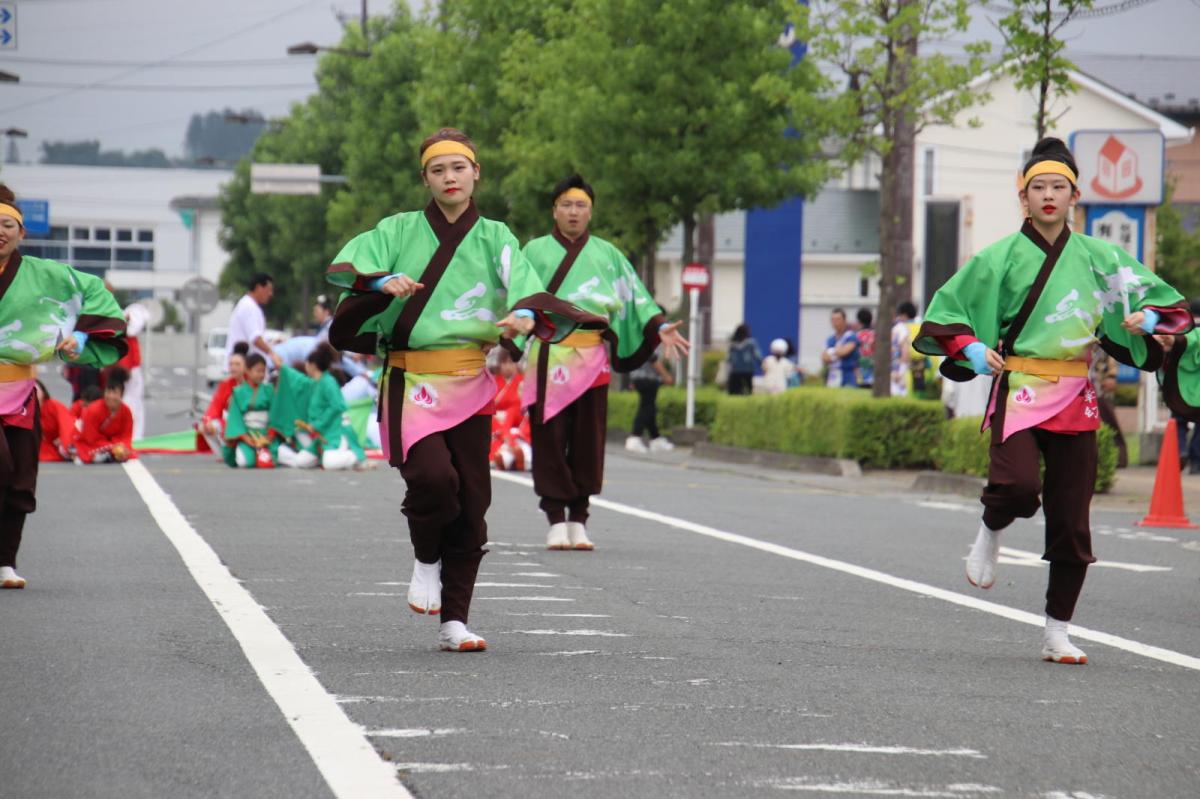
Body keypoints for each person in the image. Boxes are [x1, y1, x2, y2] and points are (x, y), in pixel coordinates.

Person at [912, 137, 1192, 665]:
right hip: (1020, 387)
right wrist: (971, 350)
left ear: (1074, 196)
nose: (1047, 196)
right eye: (1037, 187)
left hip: (1075, 395)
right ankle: (991, 529)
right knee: (1018, 488)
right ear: (1023, 196)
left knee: (1071, 520)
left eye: (1057, 187)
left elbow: (1166, 302)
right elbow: (950, 311)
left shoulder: (1099, 256)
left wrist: (1148, 320)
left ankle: (1056, 630)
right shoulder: (1000, 256)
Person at [325, 128, 600, 653]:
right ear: (425, 179)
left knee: (473, 500)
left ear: (477, 173)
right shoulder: (398, 229)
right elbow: (353, 265)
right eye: (437, 170)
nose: (449, 178)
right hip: (410, 380)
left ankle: (455, 620)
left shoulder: (496, 236)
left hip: (471, 381)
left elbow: (523, 285)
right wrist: (382, 282)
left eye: (458, 168)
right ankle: (426, 558)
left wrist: (522, 315)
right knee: (432, 479)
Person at [520, 174, 688, 551]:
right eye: (567, 204)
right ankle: (554, 518)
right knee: (549, 439)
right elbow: (517, 298)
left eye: (581, 206)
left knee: (588, 440)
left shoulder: (608, 255)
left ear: (591, 212)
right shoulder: (533, 252)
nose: (574, 212)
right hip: (549, 356)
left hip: (592, 359)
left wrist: (658, 326)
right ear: (554, 209)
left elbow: (638, 300)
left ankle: (579, 517)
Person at [0, 184, 127, 588]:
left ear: (22, 233)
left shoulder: (46, 275)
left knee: (21, 479)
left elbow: (95, 295)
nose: (0, 231)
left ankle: (5, 563)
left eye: (7, 224)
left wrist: (81, 339)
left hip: (19, 394)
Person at [224, 353, 277, 469]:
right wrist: (245, 438)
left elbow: (275, 414)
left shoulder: (269, 390)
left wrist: (270, 435)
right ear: (247, 371)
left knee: (275, 456)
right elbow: (235, 418)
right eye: (258, 371)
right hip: (247, 434)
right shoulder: (238, 392)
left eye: (263, 371)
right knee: (245, 463)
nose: (261, 375)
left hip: (266, 434)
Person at [197, 342, 248, 463]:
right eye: (231, 364)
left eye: (237, 364)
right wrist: (208, 421)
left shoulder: (252, 384)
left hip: (249, 424)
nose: (233, 367)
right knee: (205, 427)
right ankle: (224, 454)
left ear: (246, 367)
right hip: (230, 422)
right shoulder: (226, 384)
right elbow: (215, 406)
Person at [75, 368, 136, 464]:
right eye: (108, 392)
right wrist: (111, 446)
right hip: (94, 443)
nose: (111, 396)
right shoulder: (93, 409)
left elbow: (126, 435)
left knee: (128, 452)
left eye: (115, 393)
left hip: (114, 443)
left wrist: (120, 446)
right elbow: (90, 437)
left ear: (121, 395)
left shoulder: (126, 411)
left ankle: (109, 454)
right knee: (84, 450)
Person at [626, 348, 675, 452]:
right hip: (648, 377)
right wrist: (666, 375)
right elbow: (652, 358)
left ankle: (655, 439)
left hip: (637, 375)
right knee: (646, 408)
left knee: (650, 408)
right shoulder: (649, 334)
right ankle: (635, 437)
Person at [226, 273, 278, 362]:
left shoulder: (248, 305)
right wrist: (272, 354)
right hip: (244, 366)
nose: (270, 294)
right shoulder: (250, 307)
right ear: (258, 287)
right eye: (268, 290)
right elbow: (255, 338)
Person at [35, 381, 75, 462]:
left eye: (35, 391)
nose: (33, 395)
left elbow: (67, 425)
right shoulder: (24, 411)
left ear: (43, 392)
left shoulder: (54, 405)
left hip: (61, 442)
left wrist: (65, 442)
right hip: (42, 446)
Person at [822, 308, 859, 388]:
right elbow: (824, 357)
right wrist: (837, 351)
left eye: (838, 319)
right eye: (833, 320)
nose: (835, 323)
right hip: (833, 375)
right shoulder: (830, 339)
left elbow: (844, 351)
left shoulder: (851, 336)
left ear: (844, 321)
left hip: (848, 375)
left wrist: (831, 352)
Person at [890, 301, 917, 397]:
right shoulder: (919, 326)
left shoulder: (900, 328)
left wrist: (900, 372)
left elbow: (905, 351)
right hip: (918, 368)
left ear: (904, 315)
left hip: (900, 371)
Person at [726, 324, 761, 396]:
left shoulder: (733, 343)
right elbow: (757, 355)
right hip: (748, 369)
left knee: (734, 390)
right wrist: (761, 363)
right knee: (748, 389)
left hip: (735, 370)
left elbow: (729, 358)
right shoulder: (751, 343)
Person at [854, 307, 875, 387]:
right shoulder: (875, 334)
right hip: (873, 366)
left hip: (861, 367)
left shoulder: (857, 336)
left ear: (859, 321)